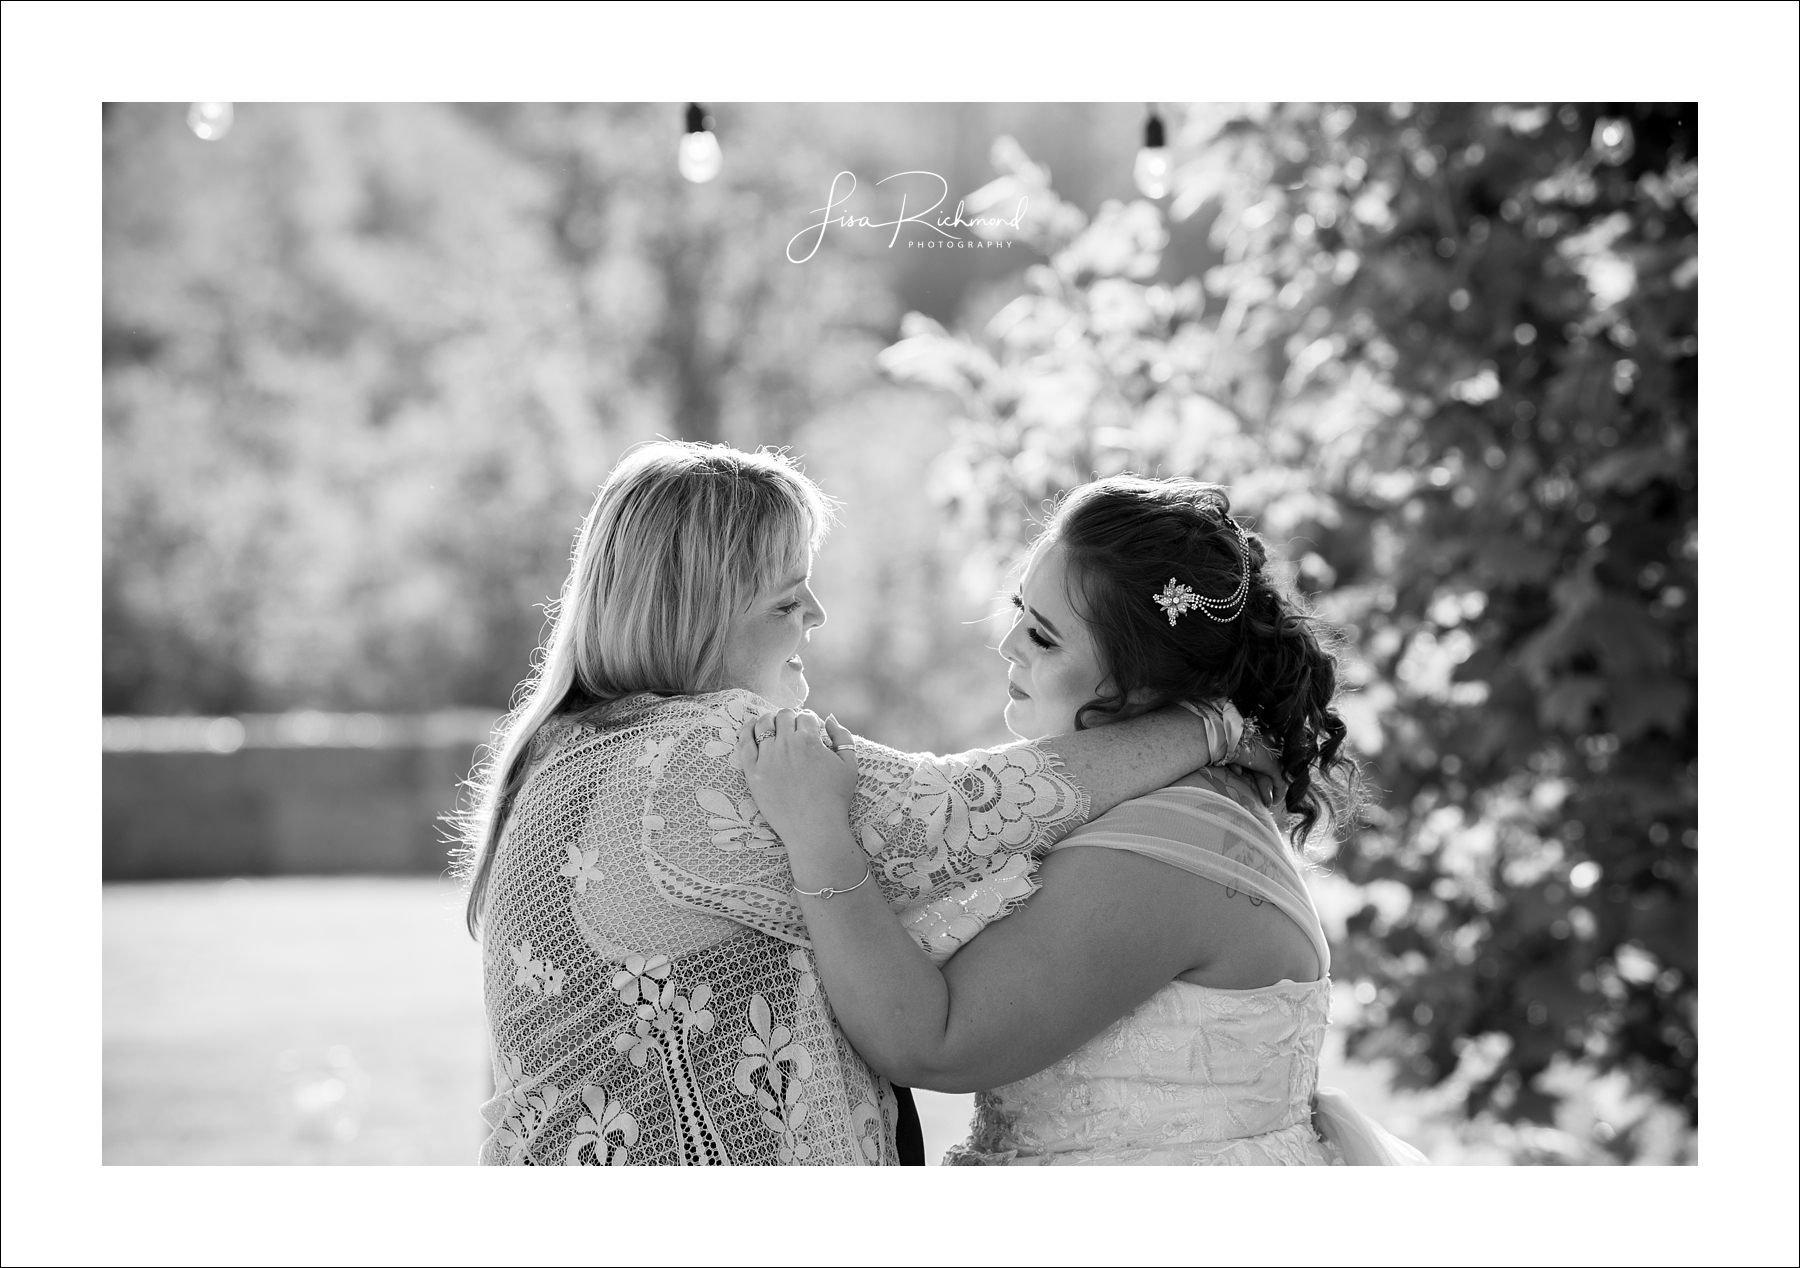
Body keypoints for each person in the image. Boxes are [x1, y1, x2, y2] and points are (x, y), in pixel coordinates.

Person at [457, 443, 1276, 1166]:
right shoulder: (703, 748)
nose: (815, 616)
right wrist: (1206, 723)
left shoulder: (569, 749)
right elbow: (959, 814)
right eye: (786, 601)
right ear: (695, 618)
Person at [743, 474, 1429, 1164]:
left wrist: (817, 834)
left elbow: (935, 1041)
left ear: (1140, 683)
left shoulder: (1169, 844)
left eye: (1044, 638)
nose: (1009, 643)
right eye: (1020, 610)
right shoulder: (1169, 798)